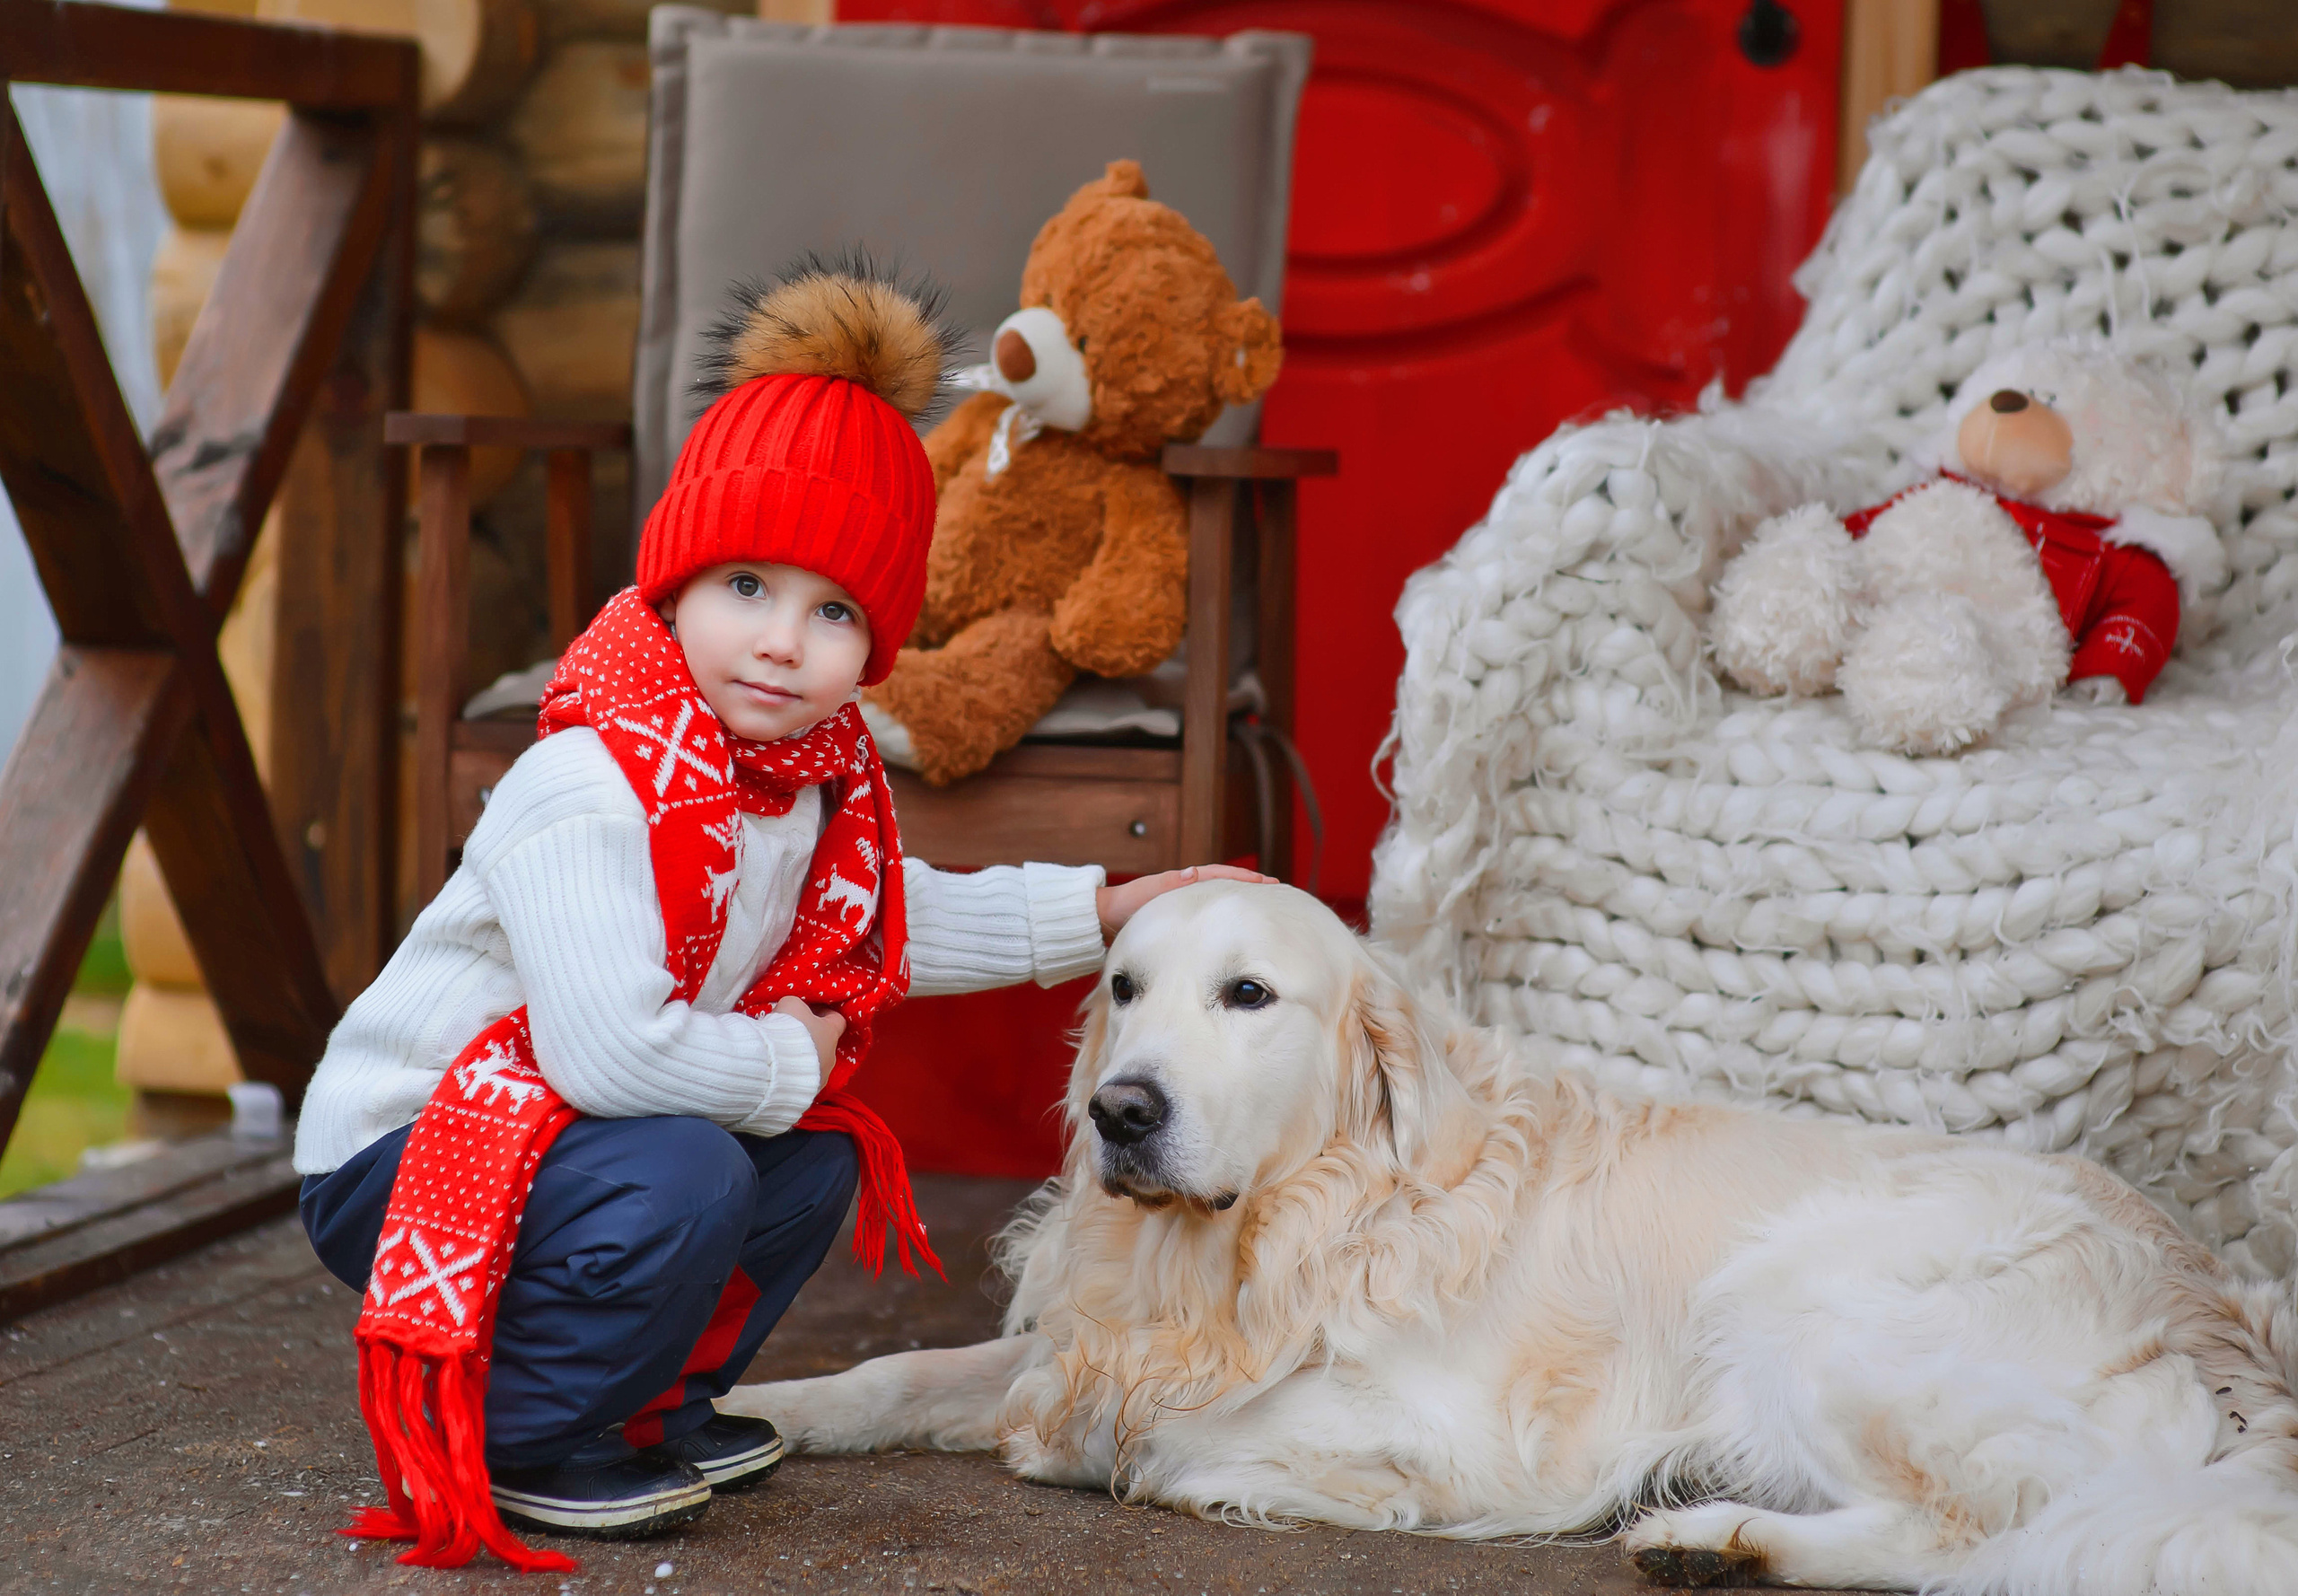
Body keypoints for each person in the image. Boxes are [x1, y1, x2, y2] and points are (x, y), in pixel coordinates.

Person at [293, 262, 1265, 1565]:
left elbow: (884, 921)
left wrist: (1105, 909)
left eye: (834, 612)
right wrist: (783, 1057)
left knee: (811, 1162)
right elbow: (610, 1053)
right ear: (675, 584)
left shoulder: (802, 780)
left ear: (876, 649)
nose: (779, 642)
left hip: (568, 1138)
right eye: (745, 586)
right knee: (700, 1160)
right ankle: (523, 1434)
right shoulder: (589, 782)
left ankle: (649, 1401)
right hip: (412, 1147)